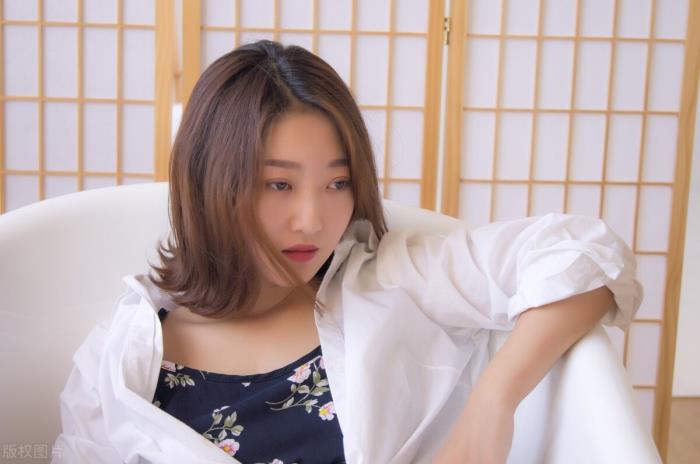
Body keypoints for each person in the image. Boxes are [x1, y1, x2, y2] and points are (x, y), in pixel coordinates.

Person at [53, 40, 642, 464]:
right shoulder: (117, 366)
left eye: (338, 183)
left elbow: (583, 253)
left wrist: (493, 403)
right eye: (278, 184)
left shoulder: (393, 281)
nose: (313, 219)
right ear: (210, 182)